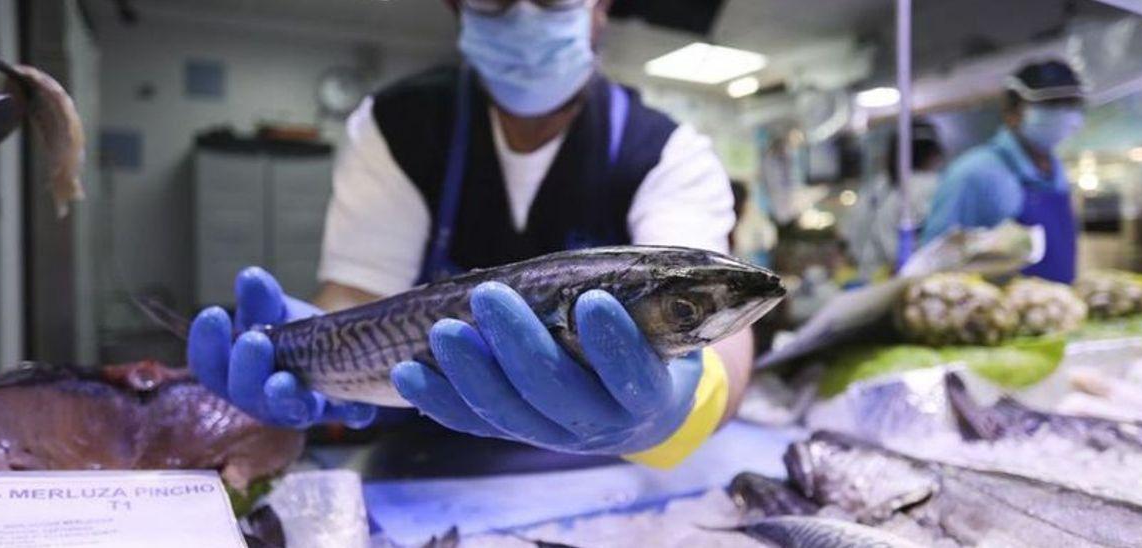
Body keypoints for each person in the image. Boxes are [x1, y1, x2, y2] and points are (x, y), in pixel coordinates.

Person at [187, 0, 747, 469]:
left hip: (599, 465)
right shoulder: (400, 126)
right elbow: (358, 293)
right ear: (457, 8)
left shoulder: (668, 151)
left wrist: (675, 409)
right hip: (426, 447)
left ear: (600, 6)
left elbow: (722, 331)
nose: (525, 13)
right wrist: (312, 352)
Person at [921, 60, 1086, 283]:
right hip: (998, 314)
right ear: (1011, 111)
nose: (1062, 114)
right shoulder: (973, 173)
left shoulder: (1057, 172)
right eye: (1050, 105)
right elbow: (931, 266)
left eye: (1070, 104)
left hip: (1060, 308)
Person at [844, 119, 945, 280]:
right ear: (934, 154)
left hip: (870, 279)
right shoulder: (928, 186)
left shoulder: (878, 188)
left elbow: (851, 240)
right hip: (900, 280)